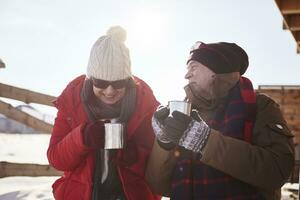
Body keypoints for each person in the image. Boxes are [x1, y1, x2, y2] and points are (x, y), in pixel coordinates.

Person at [146, 41, 295, 199]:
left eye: (194, 67)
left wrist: (204, 141)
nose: (187, 75)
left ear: (216, 71)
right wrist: (163, 143)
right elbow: (159, 186)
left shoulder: (260, 106)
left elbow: (277, 171)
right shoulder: (183, 114)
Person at [47, 26, 160, 200]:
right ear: (90, 79)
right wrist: (82, 137)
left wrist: (135, 156)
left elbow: (158, 167)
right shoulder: (71, 103)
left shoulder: (144, 106)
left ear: (128, 80)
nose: (109, 91)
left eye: (118, 83)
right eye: (101, 82)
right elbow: (56, 159)